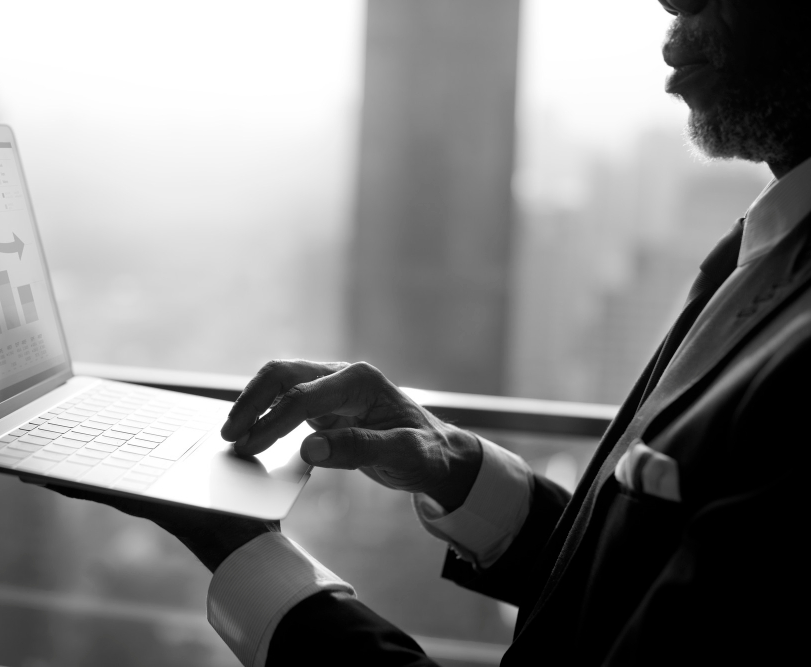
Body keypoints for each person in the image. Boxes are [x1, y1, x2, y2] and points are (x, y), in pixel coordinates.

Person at [44, 0, 811, 664]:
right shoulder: (768, 247)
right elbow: (623, 585)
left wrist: (241, 553)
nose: (671, 6)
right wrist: (453, 465)